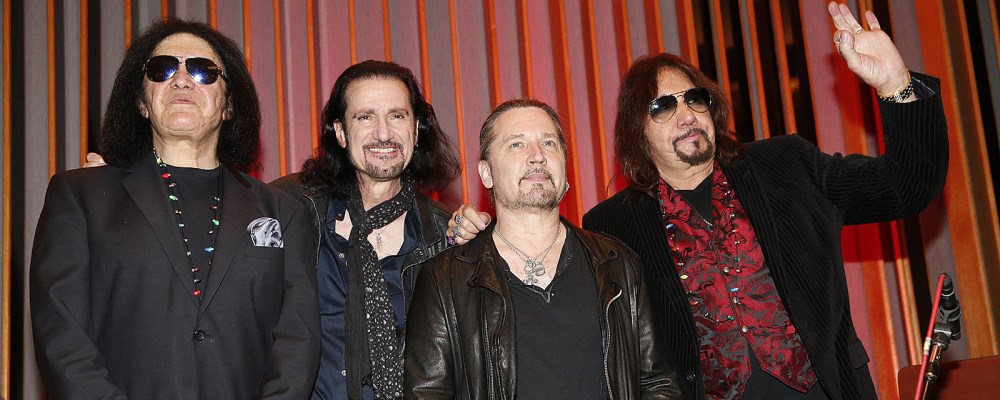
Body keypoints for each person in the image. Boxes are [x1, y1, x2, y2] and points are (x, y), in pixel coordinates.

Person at [446, 3, 948, 399]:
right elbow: (546, 284)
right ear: (637, 133)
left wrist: (895, 85)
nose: (686, 113)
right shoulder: (613, 226)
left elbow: (906, 186)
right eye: (663, 106)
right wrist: (486, 238)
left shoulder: (787, 165)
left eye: (695, 98)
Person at [30, 19, 320, 399]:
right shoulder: (80, 196)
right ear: (141, 103)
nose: (182, 80)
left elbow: (297, 345)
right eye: (162, 69)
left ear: (229, 105)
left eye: (203, 71)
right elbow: (62, 334)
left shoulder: (283, 212)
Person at [403, 99, 682, 399]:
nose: (537, 156)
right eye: (517, 144)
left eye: (549, 143)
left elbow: (658, 383)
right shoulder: (444, 278)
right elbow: (427, 393)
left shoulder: (619, 264)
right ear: (487, 173)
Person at [271, 60, 461, 400]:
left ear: (416, 129)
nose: (383, 134)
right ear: (341, 133)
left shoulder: (445, 238)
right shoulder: (289, 207)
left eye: (397, 116)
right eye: (365, 117)